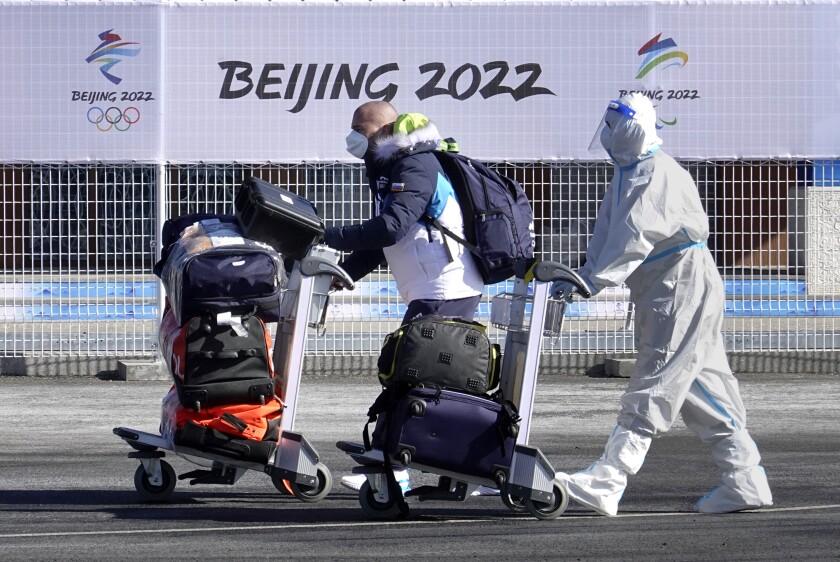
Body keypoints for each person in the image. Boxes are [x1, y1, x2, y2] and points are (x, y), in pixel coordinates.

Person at [552, 93, 773, 516]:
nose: (608, 134)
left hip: (680, 285)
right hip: (666, 285)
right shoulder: (629, 172)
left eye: (615, 126)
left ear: (631, 130)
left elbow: (633, 236)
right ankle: (746, 481)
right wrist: (581, 274)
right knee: (706, 388)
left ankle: (609, 478)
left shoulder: (655, 175)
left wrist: (592, 282)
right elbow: (607, 233)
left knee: (657, 378)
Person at [324, 101, 494, 494]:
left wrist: (329, 235)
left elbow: (392, 228)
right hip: (433, 287)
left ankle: (393, 467)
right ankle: (462, 472)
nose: (353, 136)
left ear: (385, 130)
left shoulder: (415, 165)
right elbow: (388, 239)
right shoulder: (392, 165)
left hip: (443, 287)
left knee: (409, 375)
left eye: (360, 129)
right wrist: (346, 271)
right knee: (435, 384)